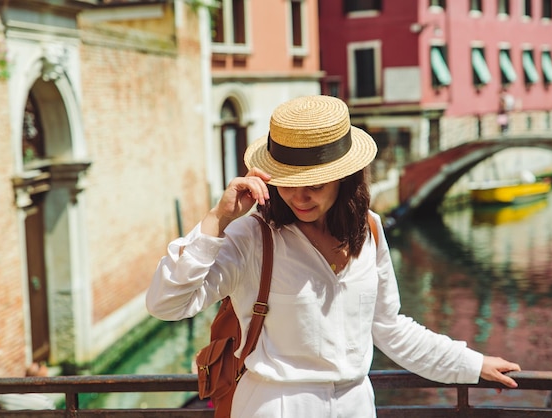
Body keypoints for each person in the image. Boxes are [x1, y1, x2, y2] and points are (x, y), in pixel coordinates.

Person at [146, 95, 521, 417]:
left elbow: (389, 328)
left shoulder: (370, 229)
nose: (300, 197)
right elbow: (167, 304)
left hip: (356, 407)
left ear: (345, 177)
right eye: (289, 184)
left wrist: (472, 364)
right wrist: (217, 219)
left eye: (315, 185)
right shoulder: (253, 235)